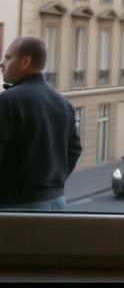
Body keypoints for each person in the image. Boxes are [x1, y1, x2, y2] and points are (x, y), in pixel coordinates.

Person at [0, 36, 82, 212]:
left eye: (7, 58)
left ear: (25, 62)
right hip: (57, 202)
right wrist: (51, 182)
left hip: (16, 206)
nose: (2, 64)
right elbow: (74, 149)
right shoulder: (62, 102)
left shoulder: (7, 101)